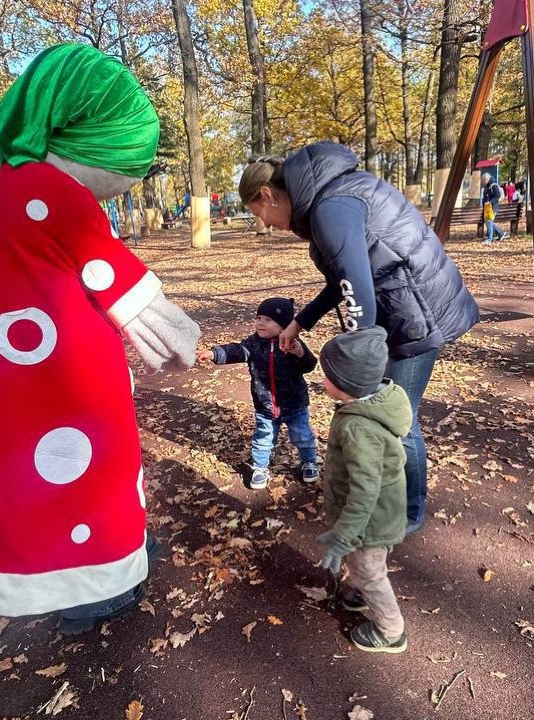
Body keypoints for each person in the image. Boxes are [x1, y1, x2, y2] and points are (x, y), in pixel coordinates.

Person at [0, 43, 201, 634]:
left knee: (33, 475)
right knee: (87, 471)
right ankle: (96, 584)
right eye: (120, 172)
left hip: (9, 372)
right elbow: (113, 274)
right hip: (66, 378)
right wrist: (174, 333)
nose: (114, 191)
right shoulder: (49, 189)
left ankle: (110, 558)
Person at [237, 142, 479, 536]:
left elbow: (357, 289)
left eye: (257, 213)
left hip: (416, 314)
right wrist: (300, 323)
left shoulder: (331, 208)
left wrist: (355, 363)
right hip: (402, 308)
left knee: (398, 418)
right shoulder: (327, 201)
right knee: (388, 412)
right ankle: (383, 494)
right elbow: (341, 281)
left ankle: (409, 513)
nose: (264, 223)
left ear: (267, 196)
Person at [315, 326, 412, 653]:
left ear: (345, 385)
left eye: (326, 374)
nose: (322, 379)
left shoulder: (359, 427)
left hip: (369, 523)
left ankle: (391, 631)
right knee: (364, 567)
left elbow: (365, 490)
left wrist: (344, 536)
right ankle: (360, 588)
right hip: (376, 515)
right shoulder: (370, 404)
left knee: (371, 572)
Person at [197, 297, 319, 488]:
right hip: (265, 406)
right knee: (263, 438)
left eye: (268, 320)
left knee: (302, 436)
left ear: (284, 327)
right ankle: (260, 468)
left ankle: (309, 461)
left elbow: (309, 365)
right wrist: (215, 353)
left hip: (295, 404)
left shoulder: (292, 343)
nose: (260, 323)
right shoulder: (253, 344)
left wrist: (300, 353)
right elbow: (237, 351)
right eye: (258, 317)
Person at [481, 173, 507, 243]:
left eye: (483, 180)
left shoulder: (493, 185)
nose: (482, 182)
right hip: (488, 206)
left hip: (493, 206)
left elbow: (497, 196)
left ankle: (489, 238)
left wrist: (490, 202)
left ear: (486, 179)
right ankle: (500, 233)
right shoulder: (488, 185)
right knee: (489, 221)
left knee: (489, 221)